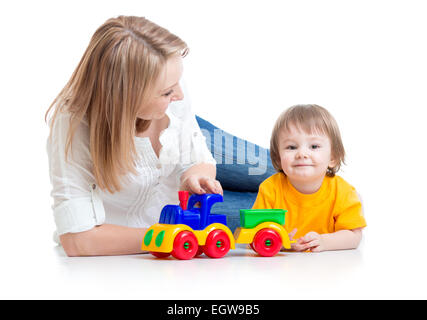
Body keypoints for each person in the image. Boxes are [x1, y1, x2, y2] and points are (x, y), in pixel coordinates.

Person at [46, 16, 272, 256]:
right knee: (288, 206)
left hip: (179, 143)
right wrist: (169, 234)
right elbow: (78, 240)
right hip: (162, 220)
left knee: (293, 169)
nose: (180, 95)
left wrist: (195, 176)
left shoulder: (170, 90)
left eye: (176, 83)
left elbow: (198, 155)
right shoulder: (73, 124)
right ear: (125, 98)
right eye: (166, 92)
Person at [252, 104, 367, 252]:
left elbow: (354, 236)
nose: (302, 154)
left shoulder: (342, 191)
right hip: (283, 270)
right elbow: (254, 236)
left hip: (328, 269)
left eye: (314, 146)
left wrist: (325, 242)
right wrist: (282, 244)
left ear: (333, 156)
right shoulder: (270, 189)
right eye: (291, 147)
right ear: (278, 158)